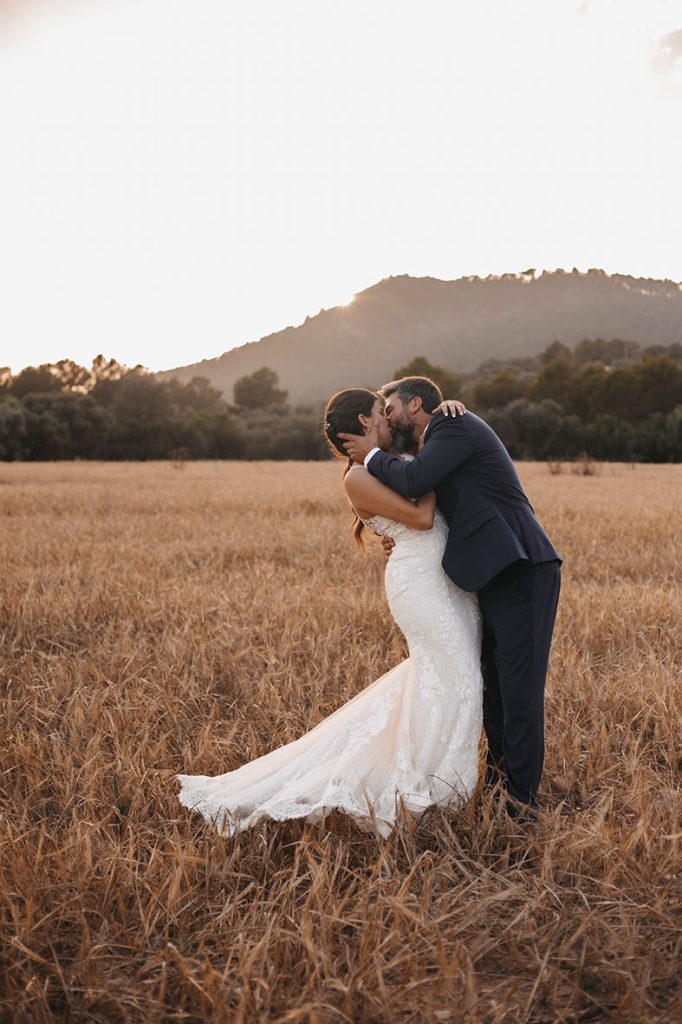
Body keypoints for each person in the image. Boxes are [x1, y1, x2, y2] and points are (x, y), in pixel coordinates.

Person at [176, 388, 484, 839]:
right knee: (451, 675)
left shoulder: (389, 458)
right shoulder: (358, 476)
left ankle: (434, 781)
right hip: (420, 588)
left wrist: (445, 416)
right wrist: (399, 460)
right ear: (364, 421)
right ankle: (424, 788)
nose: (389, 417)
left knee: (448, 678)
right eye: (382, 412)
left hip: (442, 582)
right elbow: (419, 518)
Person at [339, 376, 561, 821]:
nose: (388, 415)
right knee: (494, 692)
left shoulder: (450, 426)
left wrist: (375, 455)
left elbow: (418, 481)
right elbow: (416, 498)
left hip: (522, 569)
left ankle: (522, 805)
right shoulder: (431, 439)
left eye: (393, 407)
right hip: (489, 575)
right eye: (380, 412)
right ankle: (501, 788)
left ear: (416, 404)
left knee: (518, 693)